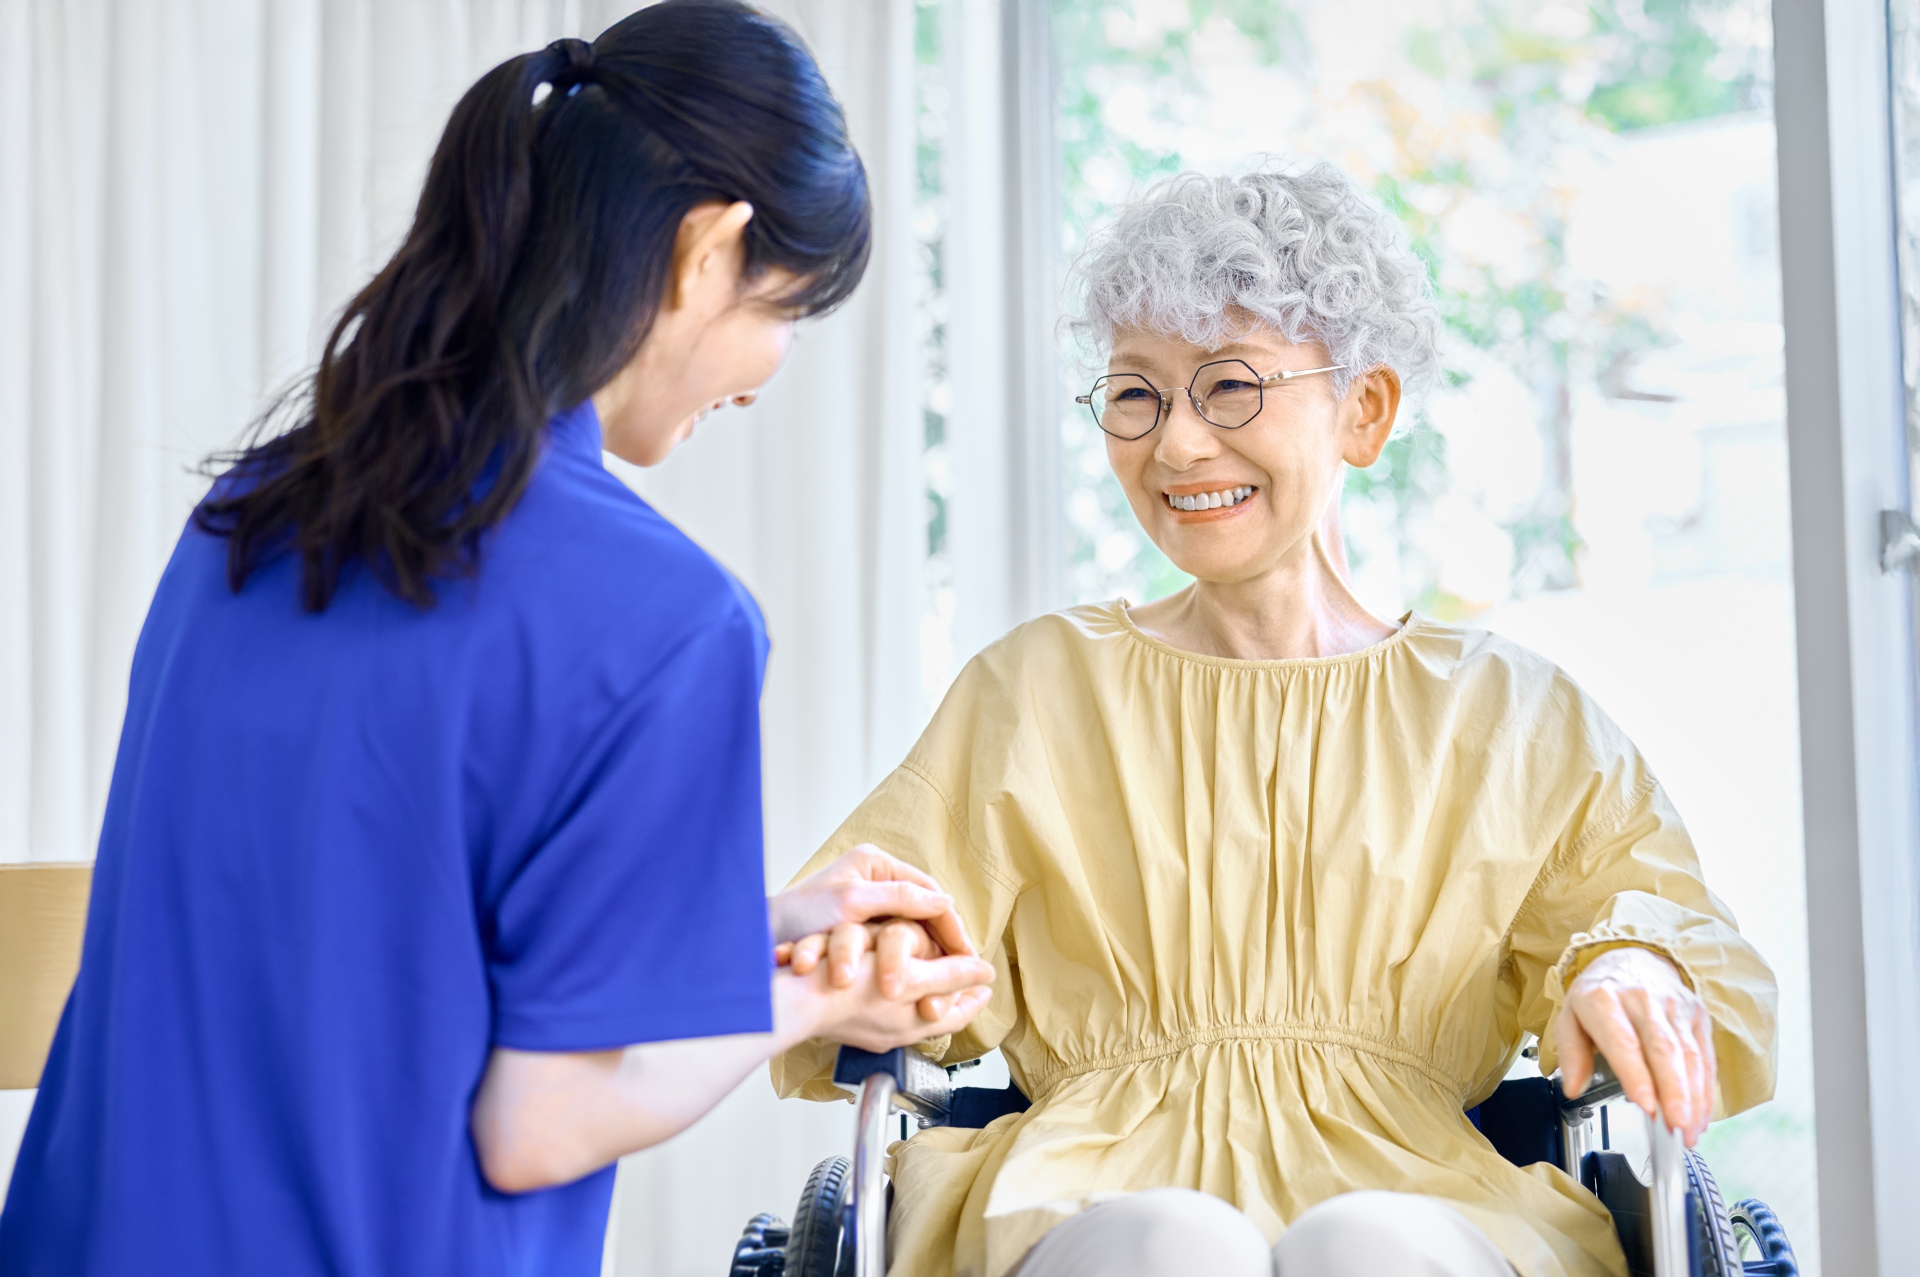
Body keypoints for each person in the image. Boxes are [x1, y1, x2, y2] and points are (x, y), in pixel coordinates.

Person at [0, 5, 992, 1275]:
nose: (764, 371)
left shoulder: (248, 520)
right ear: (709, 248)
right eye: (788, 308)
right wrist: (815, 995)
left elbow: (378, 946)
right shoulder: (667, 618)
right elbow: (538, 1121)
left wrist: (745, 927)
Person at [769, 165, 1777, 1277]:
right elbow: (874, 920)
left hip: (1424, 1193)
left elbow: (1674, 925)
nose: (1176, 446)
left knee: (1369, 1241)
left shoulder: (1509, 714)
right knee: (1170, 1239)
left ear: (1366, 409)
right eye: (1137, 394)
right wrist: (885, 958)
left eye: (1230, 387)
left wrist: (1631, 963)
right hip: (1086, 1190)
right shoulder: (1036, 687)